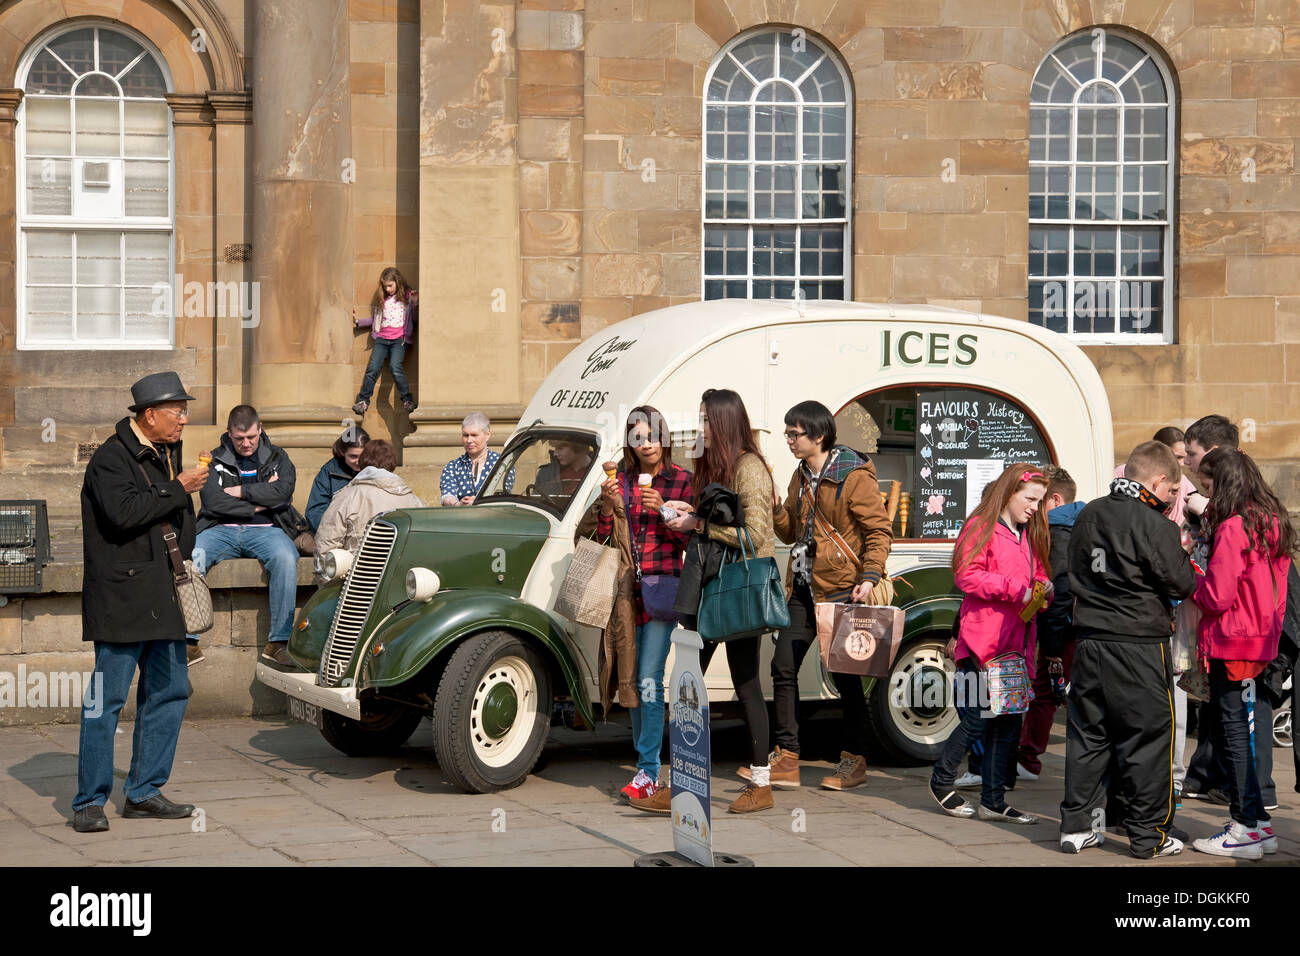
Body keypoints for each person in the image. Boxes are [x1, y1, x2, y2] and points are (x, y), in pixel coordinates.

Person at [73, 372, 208, 832]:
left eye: (185, 411)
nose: (184, 419)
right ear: (149, 415)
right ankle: (89, 801)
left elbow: (178, 521)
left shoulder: (168, 454)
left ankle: (145, 791)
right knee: (104, 702)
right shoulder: (111, 459)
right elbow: (124, 515)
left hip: (165, 595)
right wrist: (180, 487)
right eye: (178, 411)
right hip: (121, 599)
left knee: (169, 693)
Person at [1059, 441, 1195, 857]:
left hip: (1089, 641)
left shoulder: (1088, 514)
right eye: (1173, 491)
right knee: (1148, 739)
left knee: (1088, 735)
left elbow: (1071, 571)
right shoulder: (1157, 525)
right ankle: (1146, 836)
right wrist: (1184, 555)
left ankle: (1076, 826)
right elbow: (1182, 584)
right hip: (1138, 644)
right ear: (1157, 481)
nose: (1174, 499)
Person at [755, 400, 893, 791]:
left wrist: (869, 576)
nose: (789, 440)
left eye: (794, 434)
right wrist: (775, 506)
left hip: (842, 590)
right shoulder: (801, 475)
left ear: (818, 435)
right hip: (803, 586)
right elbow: (788, 533)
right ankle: (787, 756)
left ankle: (853, 761)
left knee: (845, 678)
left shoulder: (853, 475)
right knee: (783, 666)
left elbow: (879, 532)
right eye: (787, 433)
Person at [664, 388, 777, 814]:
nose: (701, 429)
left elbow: (759, 537)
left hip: (734, 589)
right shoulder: (721, 465)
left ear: (725, 423)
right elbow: (723, 518)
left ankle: (761, 783)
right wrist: (691, 512)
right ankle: (680, 781)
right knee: (687, 682)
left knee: (746, 684)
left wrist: (699, 525)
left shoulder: (750, 467)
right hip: (709, 587)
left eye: (707, 421)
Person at [928, 465, 1051, 825]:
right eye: (1029, 499)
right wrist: (1019, 590)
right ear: (1009, 492)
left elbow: (1037, 572)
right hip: (984, 643)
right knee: (979, 718)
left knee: (1008, 723)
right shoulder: (982, 525)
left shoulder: (1028, 532)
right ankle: (941, 781)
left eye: (1039, 501)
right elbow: (967, 575)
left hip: (1017, 645)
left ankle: (994, 801)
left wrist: (1043, 587)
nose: (1034, 507)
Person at [1190, 449, 1293, 860]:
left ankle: (1244, 826)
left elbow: (1216, 594)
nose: (1207, 497)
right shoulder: (1274, 521)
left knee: (1233, 736)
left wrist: (1190, 582)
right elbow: (1280, 594)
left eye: (1210, 487)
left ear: (1227, 484)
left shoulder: (1234, 527)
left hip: (1232, 640)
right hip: (1261, 638)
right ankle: (1258, 824)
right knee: (1245, 736)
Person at [593, 406, 693, 809]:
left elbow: (692, 542)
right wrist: (605, 507)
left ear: (663, 438)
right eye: (637, 436)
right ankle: (644, 766)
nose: (646, 442)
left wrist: (664, 511)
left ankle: (650, 772)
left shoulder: (683, 480)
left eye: (651, 434)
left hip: (662, 591)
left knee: (650, 677)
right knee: (631, 679)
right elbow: (605, 539)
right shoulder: (624, 483)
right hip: (624, 594)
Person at [193, 405, 300, 667]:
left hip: (267, 530)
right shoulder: (215, 459)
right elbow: (211, 502)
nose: (246, 443)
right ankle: (187, 640)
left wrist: (240, 492)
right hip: (220, 530)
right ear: (229, 433)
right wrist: (258, 503)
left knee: (286, 557)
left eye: (251, 437)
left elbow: (283, 493)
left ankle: (278, 642)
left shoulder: (278, 456)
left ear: (260, 428)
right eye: (239, 438)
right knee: (192, 556)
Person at [1016, 465, 1085, 780]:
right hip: (1074, 628)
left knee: (1044, 691)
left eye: (1039, 500)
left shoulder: (1057, 533)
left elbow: (1058, 589)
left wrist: (1053, 648)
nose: (1033, 508)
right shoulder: (1081, 526)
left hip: (1061, 632)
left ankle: (1028, 758)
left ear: (1054, 499)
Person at [315, 440, 423, 557]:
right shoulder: (415, 502)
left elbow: (327, 544)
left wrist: (326, 573)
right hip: (402, 572)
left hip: (357, 572)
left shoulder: (346, 497)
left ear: (362, 462)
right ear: (393, 464)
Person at [352, 266, 418, 414]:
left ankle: (407, 400)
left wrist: (414, 303)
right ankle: (363, 401)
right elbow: (375, 320)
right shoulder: (383, 300)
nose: (388, 289)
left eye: (390, 285)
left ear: (397, 282)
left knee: (395, 367)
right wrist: (358, 322)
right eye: (385, 286)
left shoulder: (407, 297)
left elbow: (414, 319)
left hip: (399, 341)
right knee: (372, 369)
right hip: (382, 339)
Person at [305, 425, 370, 531]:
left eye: (362, 456)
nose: (358, 461)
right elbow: (315, 512)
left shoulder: (376, 469)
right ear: (342, 453)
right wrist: (335, 532)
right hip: (334, 532)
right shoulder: (329, 471)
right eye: (353, 456)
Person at [440, 412, 499, 506]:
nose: (469, 440)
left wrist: (481, 502)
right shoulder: (453, 466)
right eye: (465, 435)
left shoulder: (500, 463)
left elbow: (503, 495)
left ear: (487, 435)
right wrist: (458, 504)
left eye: (474, 435)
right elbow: (447, 494)